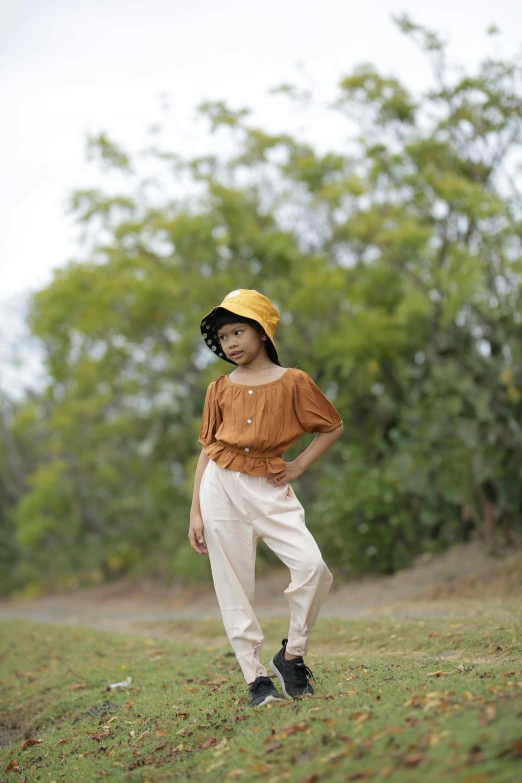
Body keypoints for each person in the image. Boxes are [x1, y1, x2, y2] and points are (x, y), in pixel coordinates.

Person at [189, 289, 343, 707]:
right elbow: (208, 448)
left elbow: (330, 426)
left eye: (240, 331)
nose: (232, 343)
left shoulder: (294, 382)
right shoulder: (218, 388)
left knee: (313, 567)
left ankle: (291, 656)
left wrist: (298, 466)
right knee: (233, 584)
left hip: (270, 485)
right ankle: (256, 678)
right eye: (223, 337)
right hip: (220, 486)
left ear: (262, 331)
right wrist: (196, 511)